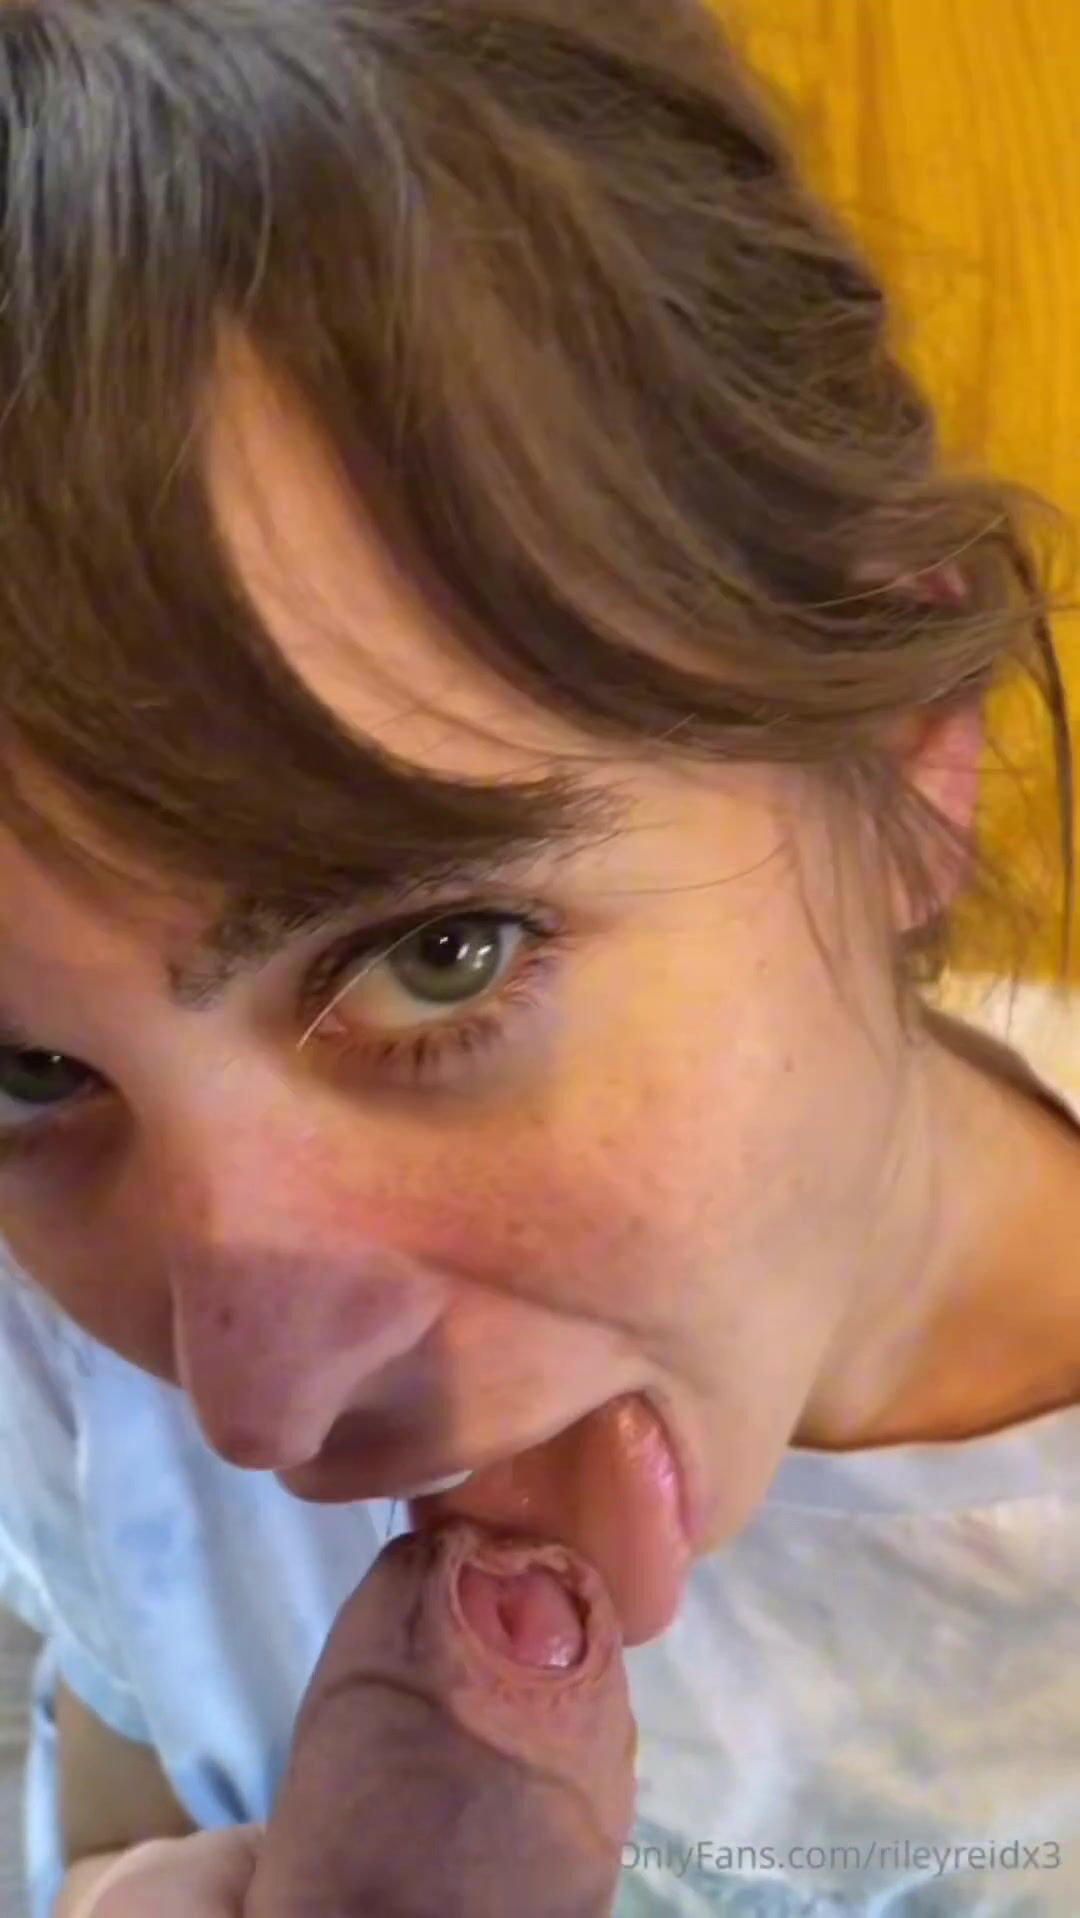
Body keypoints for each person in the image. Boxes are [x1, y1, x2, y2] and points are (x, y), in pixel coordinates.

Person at [0, 2, 1076, 1913]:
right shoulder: (70, 1349)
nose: (258, 1414)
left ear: (906, 756)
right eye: (29, 1068)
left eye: (441, 953)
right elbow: (134, 1719)